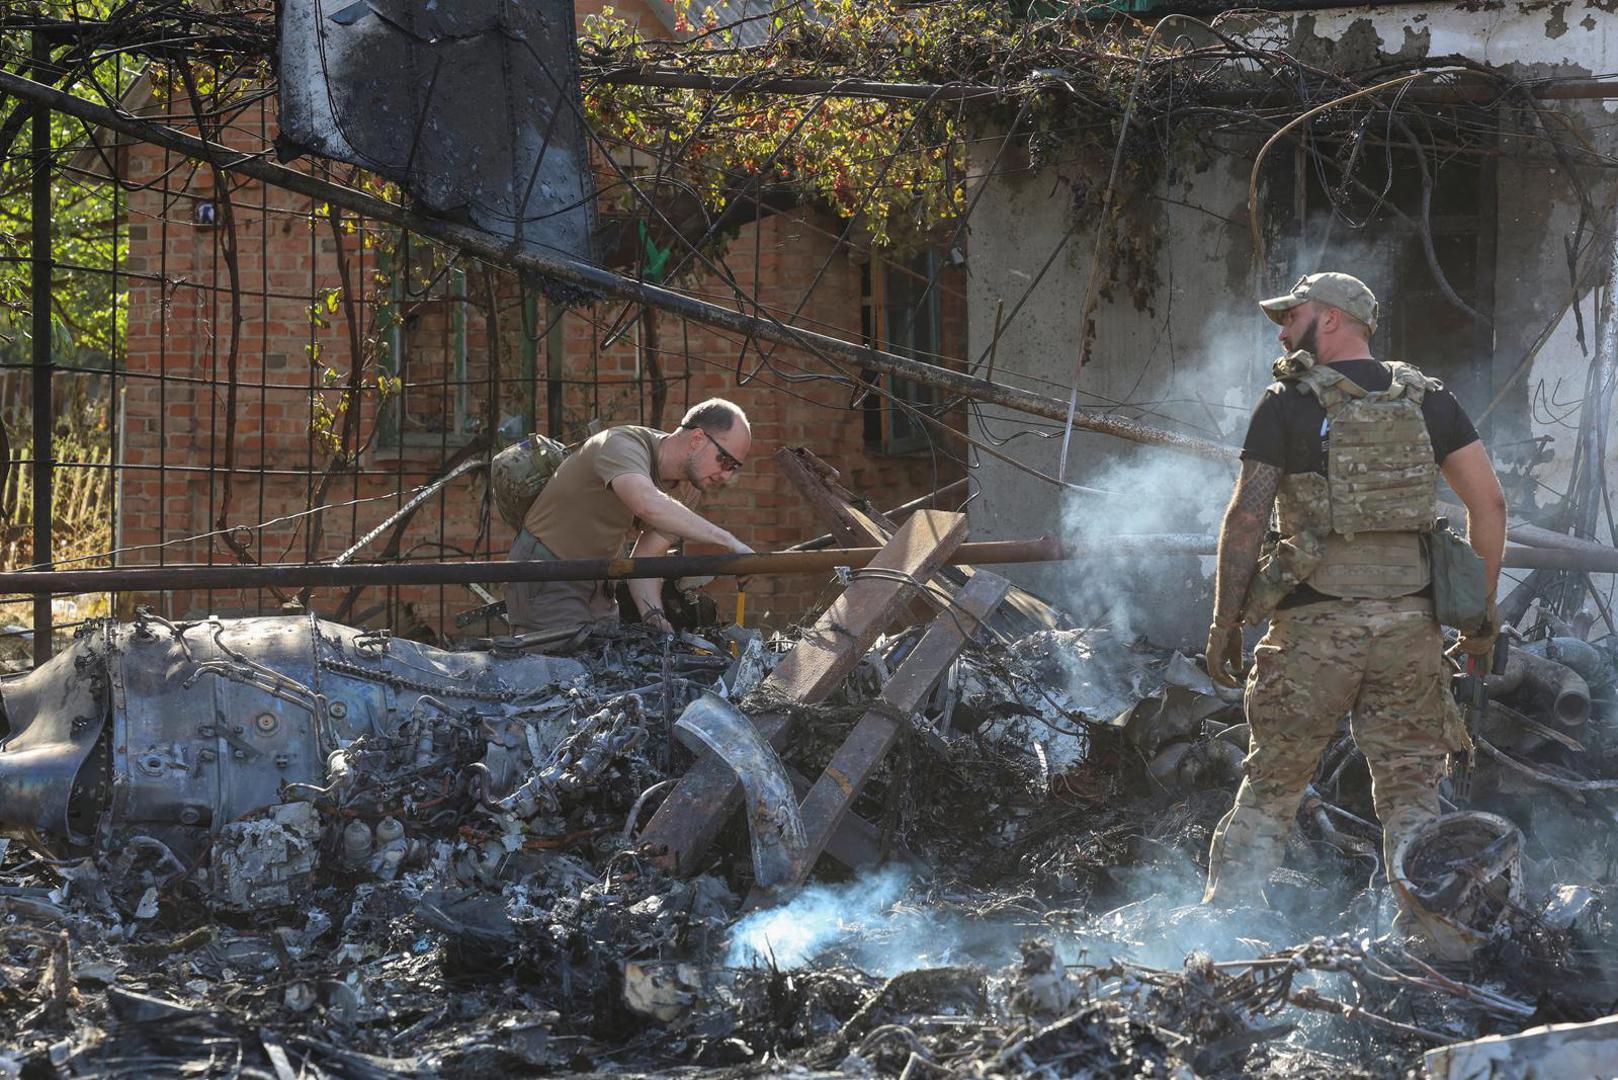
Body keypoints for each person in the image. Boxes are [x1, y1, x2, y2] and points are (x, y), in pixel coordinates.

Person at [1201, 272, 1507, 917]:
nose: (1283, 330)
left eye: (1293, 315)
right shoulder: (1430, 402)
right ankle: (1429, 938)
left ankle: (1220, 940)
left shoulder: (1286, 403)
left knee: (1273, 787)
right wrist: (1478, 617)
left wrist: (1226, 621)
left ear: (1334, 319)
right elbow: (1490, 505)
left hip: (1314, 633)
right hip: (1411, 634)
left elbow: (1247, 518)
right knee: (1412, 797)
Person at [505, 399, 755, 638]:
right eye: (724, 460)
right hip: (547, 571)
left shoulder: (688, 489)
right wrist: (728, 541)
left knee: (610, 664)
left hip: (598, 580)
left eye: (734, 467)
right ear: (697, 438)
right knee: (560, 671)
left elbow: (647, 557)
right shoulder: (621, 444)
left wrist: (654, 616)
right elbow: (646, 502)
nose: (725, 475)